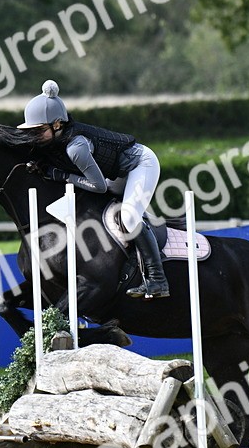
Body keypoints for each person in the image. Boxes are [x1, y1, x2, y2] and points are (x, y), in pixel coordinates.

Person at [18, 80, 169, 298]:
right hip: (117, 173)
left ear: (57, 124)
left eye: (39, 130)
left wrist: (59, 175)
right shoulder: (59, 141)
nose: (35, 136)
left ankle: (158, 280)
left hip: (141, 165)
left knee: (127, 217)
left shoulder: (75, 147)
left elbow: (97, 186)